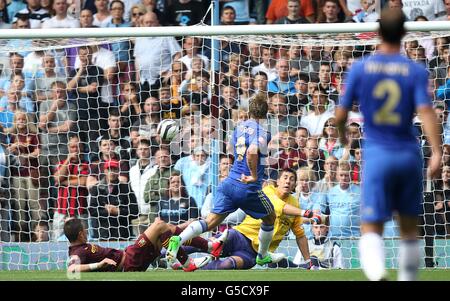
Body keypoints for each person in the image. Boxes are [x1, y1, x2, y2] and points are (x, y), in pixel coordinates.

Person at [336, 8, 442, 281]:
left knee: (371, 225)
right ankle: (408, 278)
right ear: (404, 33)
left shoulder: (360, 68)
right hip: (409, 153)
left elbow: (340, 113)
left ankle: (377, 273)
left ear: (378, 31)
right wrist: (438, 153)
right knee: (409, 226)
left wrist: (341, 136)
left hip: (377, 153)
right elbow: (427, 112)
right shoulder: (415, 70)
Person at [165, 93, 279, 266]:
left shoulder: (239, 128)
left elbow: (234, 149)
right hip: (248, 187)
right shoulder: (263, 132)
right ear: (265, 113)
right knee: (270, 217)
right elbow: (252, 151)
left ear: (249, 112)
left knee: (209, 222)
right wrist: (254, 175)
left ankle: (178, 240)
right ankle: (262, 255)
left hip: (228, 182)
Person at [199, 169, 324, 270]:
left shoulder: (294, 205)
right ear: (278, 181)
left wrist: (308, 262)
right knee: (203, 245)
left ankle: (194, 268)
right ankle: (181, 251)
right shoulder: (267, 191)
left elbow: (300, 235)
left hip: (254, 253)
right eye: (285, 178)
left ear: (294, 185)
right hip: (240, 235)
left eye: (292, 179)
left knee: (227, 265)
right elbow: (278, 206)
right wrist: (307, 213)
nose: (288, 182)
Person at [65, 217, 214, 273]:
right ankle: (186, 262)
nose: (86, 232)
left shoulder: (80, 248)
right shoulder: (78, 252)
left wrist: (185, 226)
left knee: (167, 227)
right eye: (84, 231)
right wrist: (98, 265)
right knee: (159, 225)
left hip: (130, 255)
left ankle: (209, 246)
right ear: (80, 234)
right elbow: (71, 269)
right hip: (129, 262)